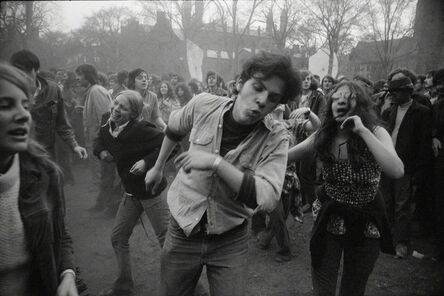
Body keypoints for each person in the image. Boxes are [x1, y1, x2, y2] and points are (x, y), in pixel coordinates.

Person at [145, 52, 301, 296]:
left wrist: (217, 163)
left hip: (231, 238)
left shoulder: (277, 137)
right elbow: (175, 128)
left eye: (272, 98)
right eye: (258, 88)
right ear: (240, 83)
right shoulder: (203, 104)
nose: (262, 100)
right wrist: (157, 167)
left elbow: (268, 197)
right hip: (183, 227)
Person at [288, 81, 404, 296]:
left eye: (349, 97)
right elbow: (285, 157)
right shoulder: (324, 135)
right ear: (330, 104)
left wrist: (362, 131)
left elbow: (396, 170)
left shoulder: (376, 132)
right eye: (336, 97)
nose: (341, 100)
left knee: (354, 288)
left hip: (367, 219)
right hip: (331, 217)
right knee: (323, 286)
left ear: (360, 104)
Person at [0, 62, 79, 295]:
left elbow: (60, 235)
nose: (23, 115)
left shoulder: (45, 173)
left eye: (26, 105)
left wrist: (67, 275)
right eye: (6, 105)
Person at [94, 90, 171, 296]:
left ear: (134, 114)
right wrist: (101, 152)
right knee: (118, 238)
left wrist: (147, 162)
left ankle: (191, 289)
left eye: (123, 107)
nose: (116, 109)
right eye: (116, 103)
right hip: (130, 193)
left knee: (168, 242)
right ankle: (123, 287)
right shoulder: (106, 123)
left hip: (150, 192)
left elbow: (171, 145)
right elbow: (99, 141)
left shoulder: (142, 129)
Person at [380, 74, 433, 258]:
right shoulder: (389, 110)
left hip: (406, 166)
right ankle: (385, 239)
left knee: (402, 206)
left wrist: (418, 172)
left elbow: (424, 145)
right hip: (387, 162)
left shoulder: (422, 112)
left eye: (395, 92)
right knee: (385, 202)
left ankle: (401, 243)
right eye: (390, 92)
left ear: (407, 91)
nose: (392, 95)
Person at [9, 49, 87, 160]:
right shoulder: (7, 92)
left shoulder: (53, 90)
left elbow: (62, 123)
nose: (22, 76)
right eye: (17, 72)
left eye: (26, 71)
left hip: (46, 153)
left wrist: (74, 145)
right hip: (17, 154)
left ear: (36, 70)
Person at [75, 64, 113, 212]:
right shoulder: (92, 91)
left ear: (88, 75)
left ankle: (110, 205)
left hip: (102, 143)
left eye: (80, 74)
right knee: (103, 174)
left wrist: (102, 144)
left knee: (106, 174)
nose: (77, 78)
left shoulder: (96, 91)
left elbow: (105, 118)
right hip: (96, 141)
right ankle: (103, 203)